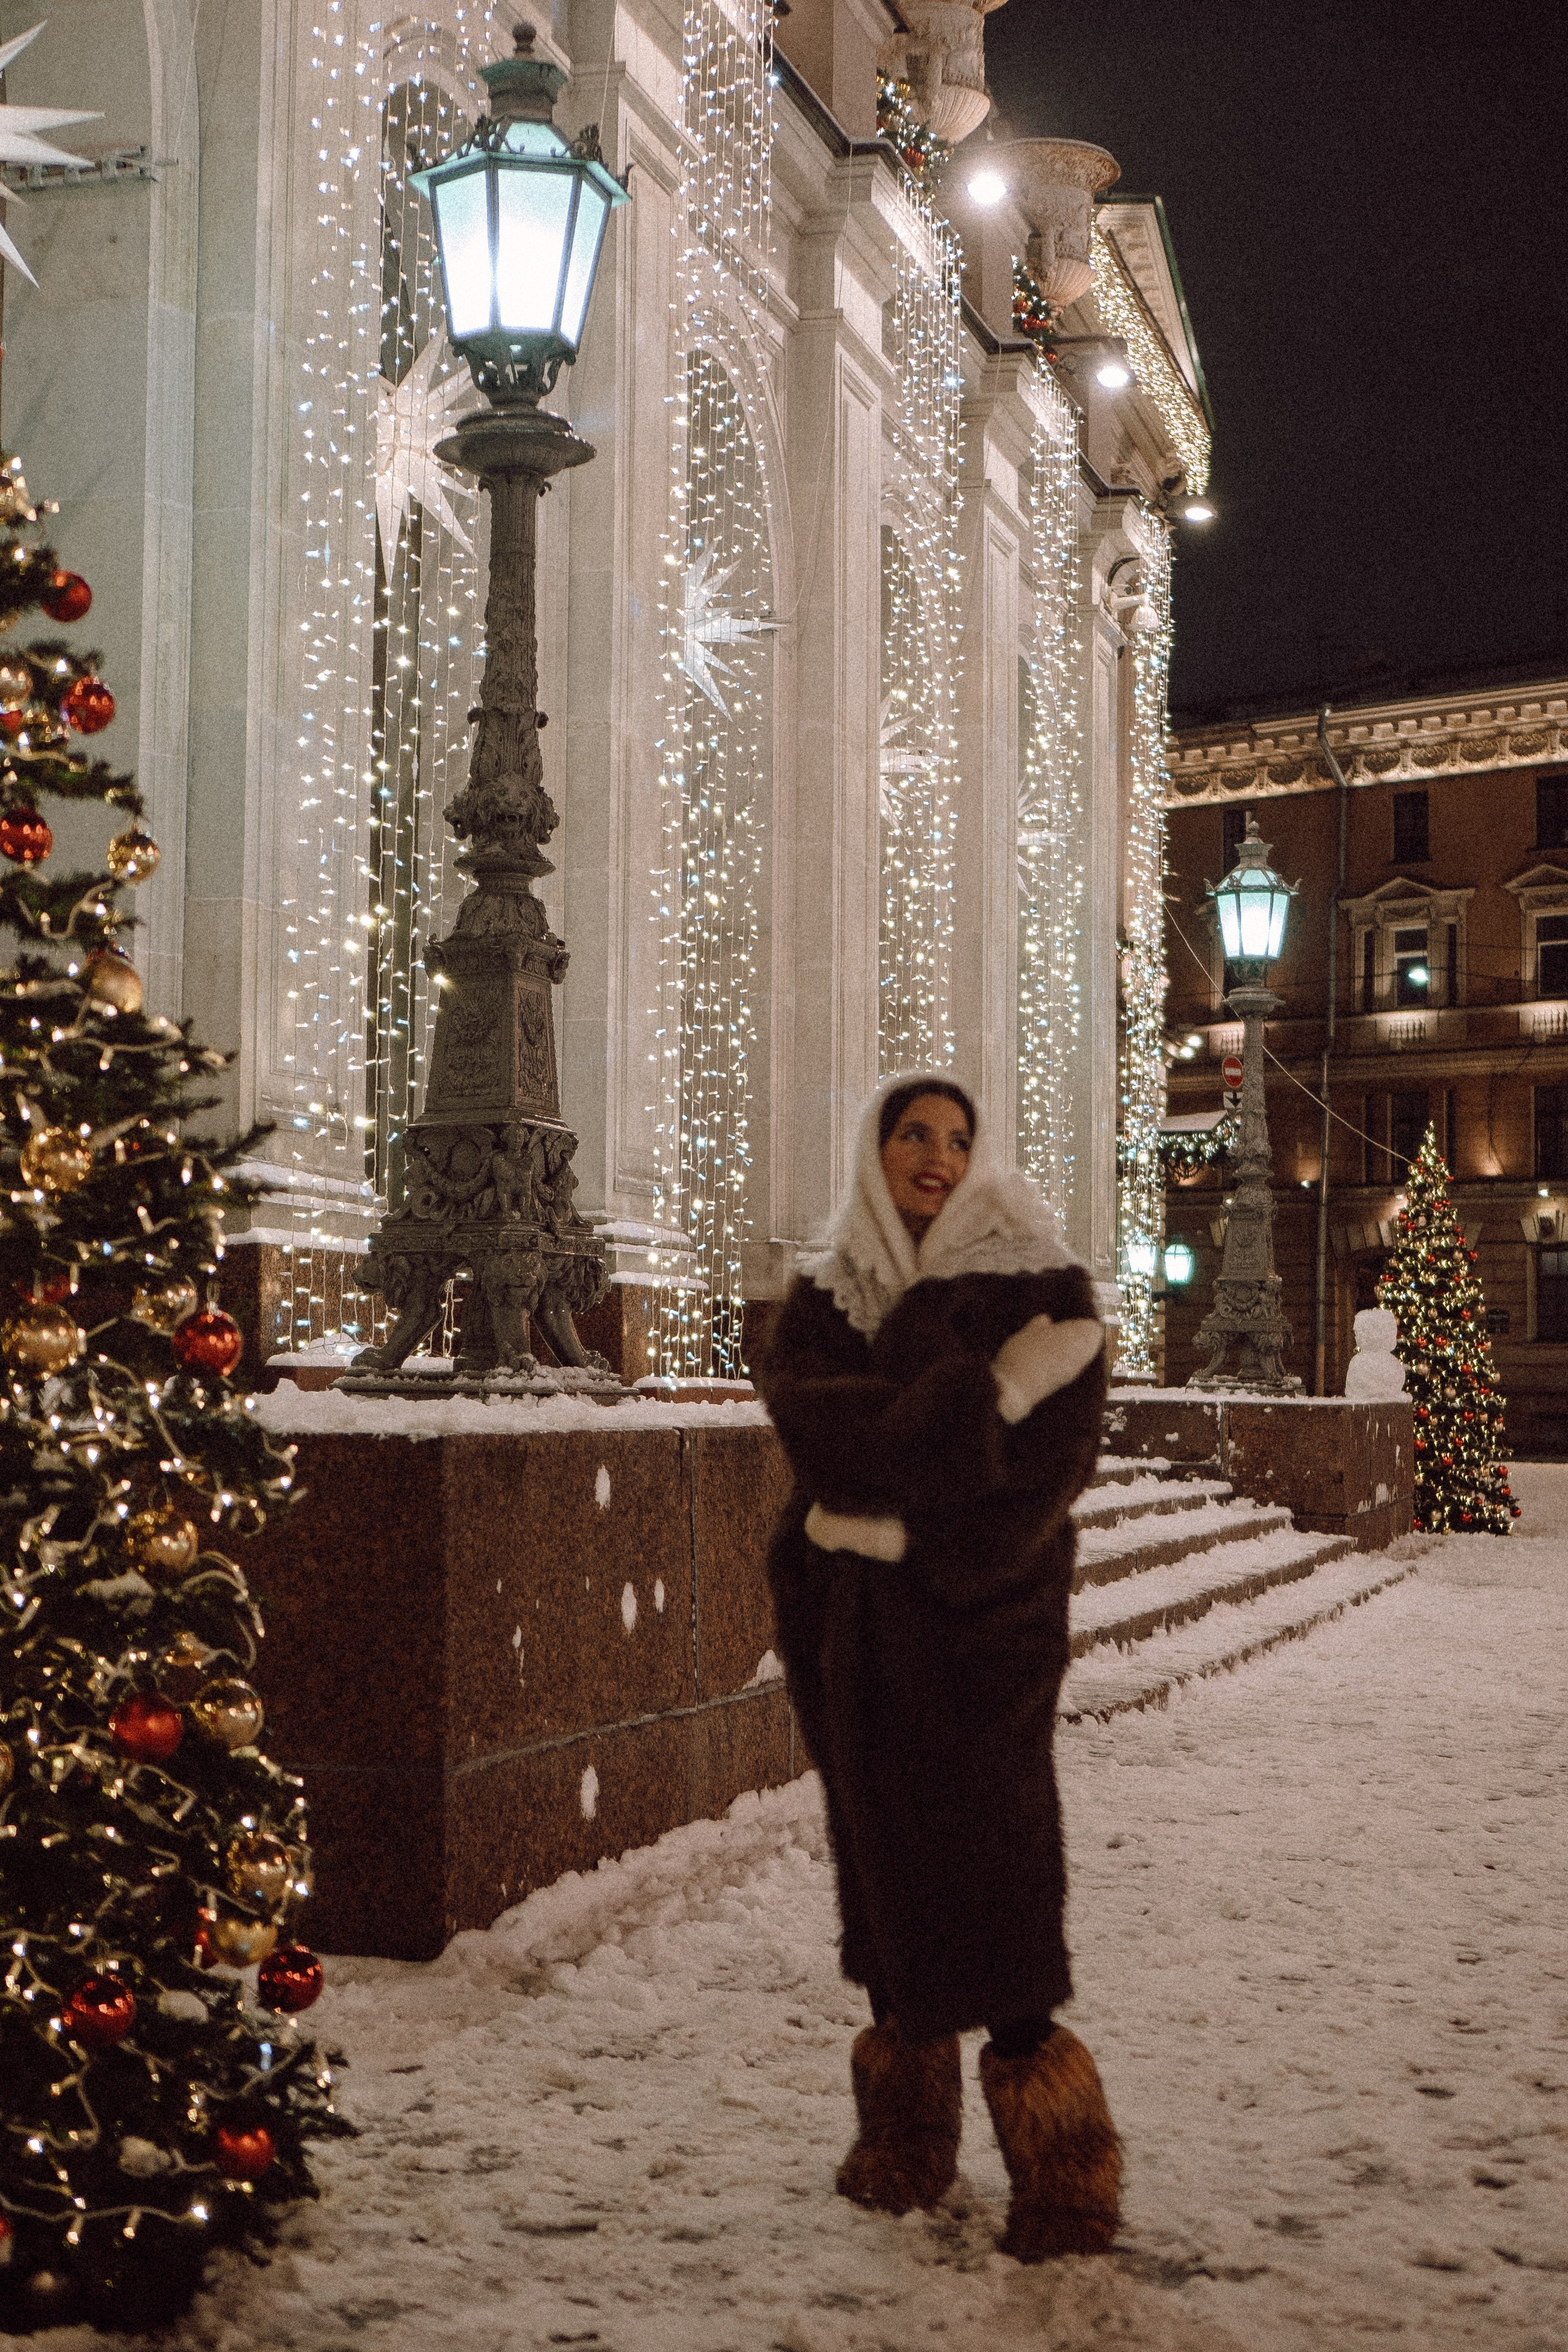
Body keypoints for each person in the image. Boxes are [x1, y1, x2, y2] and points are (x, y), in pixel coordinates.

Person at [753, 1072, 1118, 2261]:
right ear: (874, 1148)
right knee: (883, 1881)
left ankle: (1061, 2170)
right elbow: (816, 1429)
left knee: (998, 1891)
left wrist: (901, 1519)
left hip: (983, 1631)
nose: (935, 1157)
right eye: (912, 1134)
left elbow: (1042, 1478)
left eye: (957, 1140)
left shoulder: (1036, 1280)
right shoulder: (825, 1293)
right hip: (853, 1639)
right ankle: (903, 2139)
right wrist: (985, 1398)